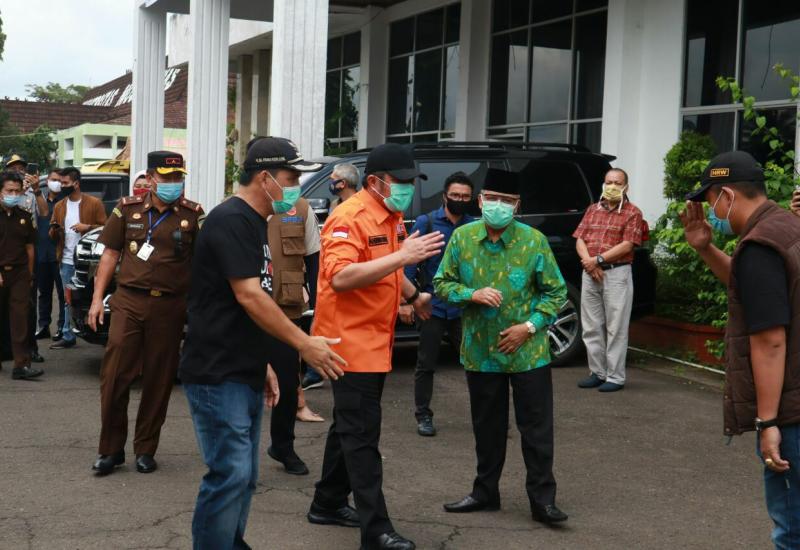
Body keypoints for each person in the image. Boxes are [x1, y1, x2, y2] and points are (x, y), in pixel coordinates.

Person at [179, 136, 345, 550]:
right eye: (291, 178)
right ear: (265, 178)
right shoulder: (231, 219)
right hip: (217, 372)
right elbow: (250, 295)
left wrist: (264, 363)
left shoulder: (255, 221)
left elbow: (250, 303)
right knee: (229, 474)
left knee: (244, 477)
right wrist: (304, 344)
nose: (296, 188)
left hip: (244, 368)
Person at [308, 143, 443, 550]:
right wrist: (403, 256)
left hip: (375, 340)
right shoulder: (348, 217)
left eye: (411, 182)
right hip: (347, 343)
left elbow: (387, 270)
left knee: (350, 426)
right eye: (400, 181)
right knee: (362, 435)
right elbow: (341, 277)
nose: (407, 189)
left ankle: (327, 502)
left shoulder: (391, 215)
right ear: (374, 182)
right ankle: (376, 531)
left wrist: (413, 295)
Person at [433, 168, 569, 525]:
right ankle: (485, 493)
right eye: (492, 198)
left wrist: (529, 327)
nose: (498, 205)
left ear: (517, 205)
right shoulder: (462, 238)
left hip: (528, 353)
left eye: (506, 201)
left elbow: (556, 292)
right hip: (481, 352)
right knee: (487, 428)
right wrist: (471, 294)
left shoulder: (534, 241)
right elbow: (442, 283)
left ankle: (543, 501)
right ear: (480, 201)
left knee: (536, 429)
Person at [680, 151, 800, 549]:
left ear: (727, 196)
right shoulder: (786, 226)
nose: (711, 212)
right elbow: (755, 288)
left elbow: (770, 340)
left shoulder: (760, 245)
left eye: (710, 200)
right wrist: (705, 248)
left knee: (792, 528)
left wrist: (768, 423)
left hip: (792, 413)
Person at [84, 151, 201, 476]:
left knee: (159, 380)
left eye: (178, 177)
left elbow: (202, 264)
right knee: (114, 377)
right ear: (150, 179)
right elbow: (110, 254)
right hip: (129, 302)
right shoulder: (127, 209)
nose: (173, 183)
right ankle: (110, 450)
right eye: (166, 177)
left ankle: (146, 449)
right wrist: (97, 299)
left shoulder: (193, 215)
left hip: (170, 307)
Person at [263, 148, 324, 476]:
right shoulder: (240, 210)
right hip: (247, 312)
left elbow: (314, 259)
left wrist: (317, 308)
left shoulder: (301, 208)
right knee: (242, 382)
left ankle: (283, 446)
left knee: (288, 383)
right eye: (290, 178)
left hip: (287, 310)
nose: (295, 185)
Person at [401, 171, 474, 437]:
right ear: (445, 196)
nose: (459, 200)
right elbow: (410, 262)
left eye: (465, 196)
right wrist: (407, 301)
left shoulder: (473, 227)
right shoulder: (428, 222)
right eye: (455, 195)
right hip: (432, 306)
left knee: (476, 364)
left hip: (464, 306)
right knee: (426, 364)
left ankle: (487, 415)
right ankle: (423, 415)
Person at [573, 168, 643, 392]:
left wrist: (598, 260)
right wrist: (589, 262)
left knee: (616, 327)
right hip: (590, 272)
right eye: (609, 182)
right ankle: (597, 372)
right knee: (591, 326)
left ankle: (615, 376)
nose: (612, 186)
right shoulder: (592, 209)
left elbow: (628, 245)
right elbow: (580, 239)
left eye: (617, 183)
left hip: (616, 273)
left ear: (626, 187)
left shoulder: (633, 212)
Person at [302, 161, 362, 392]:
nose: (331, 183)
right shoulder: (337, 205)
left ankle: (322, 371)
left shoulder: (358, 208)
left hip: (347, 277)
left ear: (343, 183)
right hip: (329, 274)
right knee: (320, 323)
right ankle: (316, 371)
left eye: (333, 179)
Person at [49, 167, 106, 350]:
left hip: (88, 261)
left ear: (76, 184)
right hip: (66, 259)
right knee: (67, 299)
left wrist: (86, 227)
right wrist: (54, 230)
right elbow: (52, 233)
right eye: (60, 182)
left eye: (65, 182)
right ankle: (67, 334)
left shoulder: (94, 203)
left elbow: (105, 228)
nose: (62, 186)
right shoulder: (59, 206)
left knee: (89, 298)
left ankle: (94, 330)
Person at [0, 171, 43, 380]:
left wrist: (29, 274)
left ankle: (21, 365)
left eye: (17, 191)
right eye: (9, 191)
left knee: (20, 319)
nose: (14, 195)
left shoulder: (24, 216)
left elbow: (30, 248)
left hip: (20, 274)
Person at [6, 155, 46, 364]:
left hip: (25, 255)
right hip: (5, 255)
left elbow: (44, 212)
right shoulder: (4, 194)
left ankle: (29, 350)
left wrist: (36, 190)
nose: (18, 171)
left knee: (26, 307)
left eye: (22, 168)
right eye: (13, 168)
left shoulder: (30, 195)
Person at [35, 169, 66, 341]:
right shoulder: (39, 201)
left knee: (63, 294)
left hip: (60, 255)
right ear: (47, 181)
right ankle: (43, 326)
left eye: (60, 180)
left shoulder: (66, 202)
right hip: (42, 254)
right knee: (44, 293)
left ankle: (62, 327)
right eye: (54, 179)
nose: (57, 183)